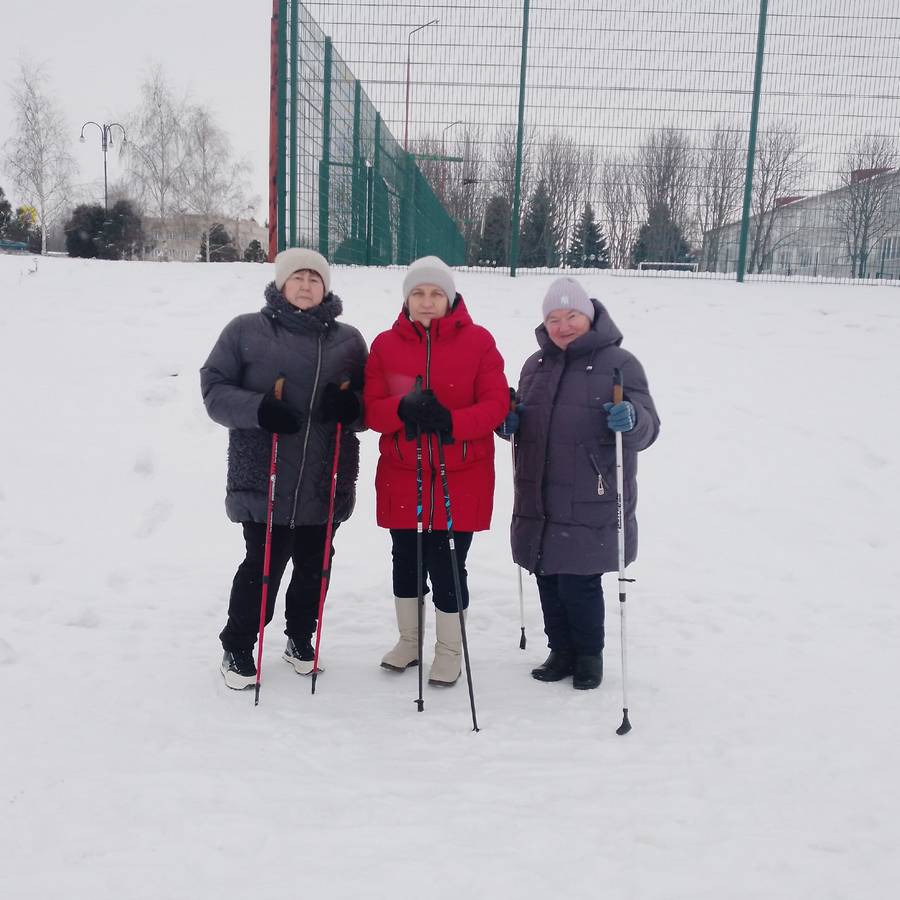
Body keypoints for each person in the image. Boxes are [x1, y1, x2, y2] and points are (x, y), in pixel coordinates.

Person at [200, 248, 367, 690]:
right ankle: (238, 645)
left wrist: (351, 408)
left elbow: (370, 404)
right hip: (266, 473)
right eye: (298, 277)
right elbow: (214, 389)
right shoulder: (245, 330)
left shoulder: (349, 341)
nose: (306, 285)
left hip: (323, 476)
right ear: (281, 283)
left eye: (315, 278)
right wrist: (259, 409)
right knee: (263, 565)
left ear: (326, 287)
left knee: (316, 566)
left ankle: (299, 638)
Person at [505, 277, 659, 690]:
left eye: (571, 316)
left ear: (590, 317)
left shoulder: (620, 364)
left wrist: (633, 418)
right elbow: (525, 419)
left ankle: (589, 655)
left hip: (592, 493)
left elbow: (649, 428)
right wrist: (510, 422)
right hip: (539, 491)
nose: (563, 326)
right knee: (547, 576)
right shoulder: (535, 366)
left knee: (580, 580)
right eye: (553, 319)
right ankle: (560, 650)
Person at [364, 256, 509, 686]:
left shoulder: (479, 342)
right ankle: (409, 641)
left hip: (459, 473)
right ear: (407, 299)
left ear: (450, 299)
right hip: (403, 472)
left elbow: (496, 405)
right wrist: (402, 408)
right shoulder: (385, 345)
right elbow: (371, 410)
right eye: (418, 293)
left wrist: (452, 422)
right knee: (406, 561)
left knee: (448, 565)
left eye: (435, 294)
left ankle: (448, 651)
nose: (427, 301)